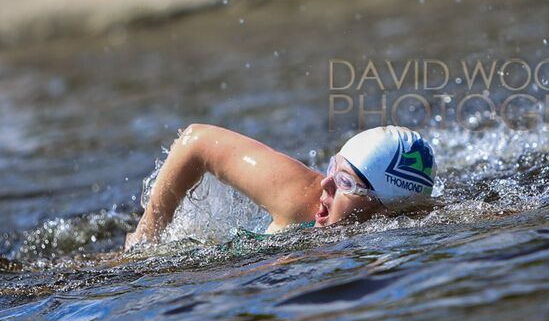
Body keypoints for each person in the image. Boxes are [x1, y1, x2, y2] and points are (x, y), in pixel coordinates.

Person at [124, 124, 436, 249]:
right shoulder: (301, 198)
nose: (325, 184)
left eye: (345, 182)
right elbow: (196, 141)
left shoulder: (415, 224)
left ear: (390, 209)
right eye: (333, 169)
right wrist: (147, 235)